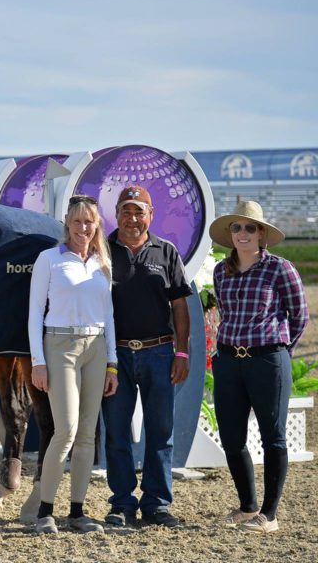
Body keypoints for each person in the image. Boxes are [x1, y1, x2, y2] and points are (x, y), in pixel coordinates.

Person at [208, 200, 308, 534]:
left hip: (267, 360)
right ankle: (247, 506)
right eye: (236, 227)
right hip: (227, 360)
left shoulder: (280, 268)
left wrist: (278, 351)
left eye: (250, 227)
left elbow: (300, 315)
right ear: (230, 234)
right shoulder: (221, 271)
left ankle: (270, 514)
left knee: (273, 438)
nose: (243, 233)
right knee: (232, 438)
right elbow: (224, 310)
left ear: (262, 233)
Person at [102, 185, 192, 528]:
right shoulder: (102, 251)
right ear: (117, 214)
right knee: (116, 432)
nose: (133, 217)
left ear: (150, 215)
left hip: (159, 352)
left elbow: (180, 305)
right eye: (126, 210)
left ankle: (156, 503)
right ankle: (122, 503)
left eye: (140, 211)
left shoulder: (166, 252)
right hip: (116, 355)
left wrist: (182, 351)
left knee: (161, 431)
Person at [28, 195, 119, 534]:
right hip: (59, 345)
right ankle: (44, 511)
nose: (83, 227)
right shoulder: (49, 259)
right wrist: (38, 361)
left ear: (97, 224)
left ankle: (77, 511)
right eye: (77, 221)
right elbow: (35, 312)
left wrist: (112, 363)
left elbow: (108, 315)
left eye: (89, 221)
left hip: (96, 347)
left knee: (87, 435)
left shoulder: (102, 261)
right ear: (66, 221)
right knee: (64, 430)